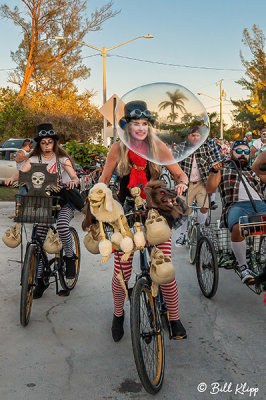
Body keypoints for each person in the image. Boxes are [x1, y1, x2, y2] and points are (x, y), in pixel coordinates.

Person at [96, 100, 189, 342]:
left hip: (157, 210)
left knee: (165, 269)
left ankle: (174, 317)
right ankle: (118, 315)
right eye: (136, 123)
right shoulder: (118, 148)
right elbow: (104, 179)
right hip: (126, 214)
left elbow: (180, 173)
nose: (140, 128)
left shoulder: (157, 146)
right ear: (127, 126)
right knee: (121, 273)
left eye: (145, 124)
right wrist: (97, 195)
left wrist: (181, 182)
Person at [6, 123, 80, 297]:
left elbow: (74, 176)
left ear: (54, 142)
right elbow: (22, 172)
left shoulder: (62, 159)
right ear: (39, 144)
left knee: (62, 226)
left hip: (64, 200)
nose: (47, 146)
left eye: (49, 142)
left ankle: (70, 258)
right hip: (44, 200)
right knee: (38, 239)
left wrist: (73, 180)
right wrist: (11, 178)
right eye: (43, 143)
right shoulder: (33, 160)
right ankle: (40, 279)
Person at [206, 140, 266, 283]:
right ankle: (243, 267)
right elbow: (210, 189)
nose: (243, 154)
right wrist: (214, 171)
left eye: (246, 152)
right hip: (235, 205)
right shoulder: (224, 169)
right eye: (239, 151)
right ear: (231, 152)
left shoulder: (253, 171)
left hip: (259, 204)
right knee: (238, 227)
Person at [175, 127, 218, 246]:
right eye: (193, 135)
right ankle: (182, 234)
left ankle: (200, 229)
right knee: (184, 209)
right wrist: (178, 181)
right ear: (188, 136)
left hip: (201, 183)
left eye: (197, 136)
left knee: (204, 206)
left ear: (201, 137)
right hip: (186, 183)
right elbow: (174, 166)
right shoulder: (181, 148)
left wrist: (216, 168)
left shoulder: (206, 148)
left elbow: (214, 162)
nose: (195, 138)